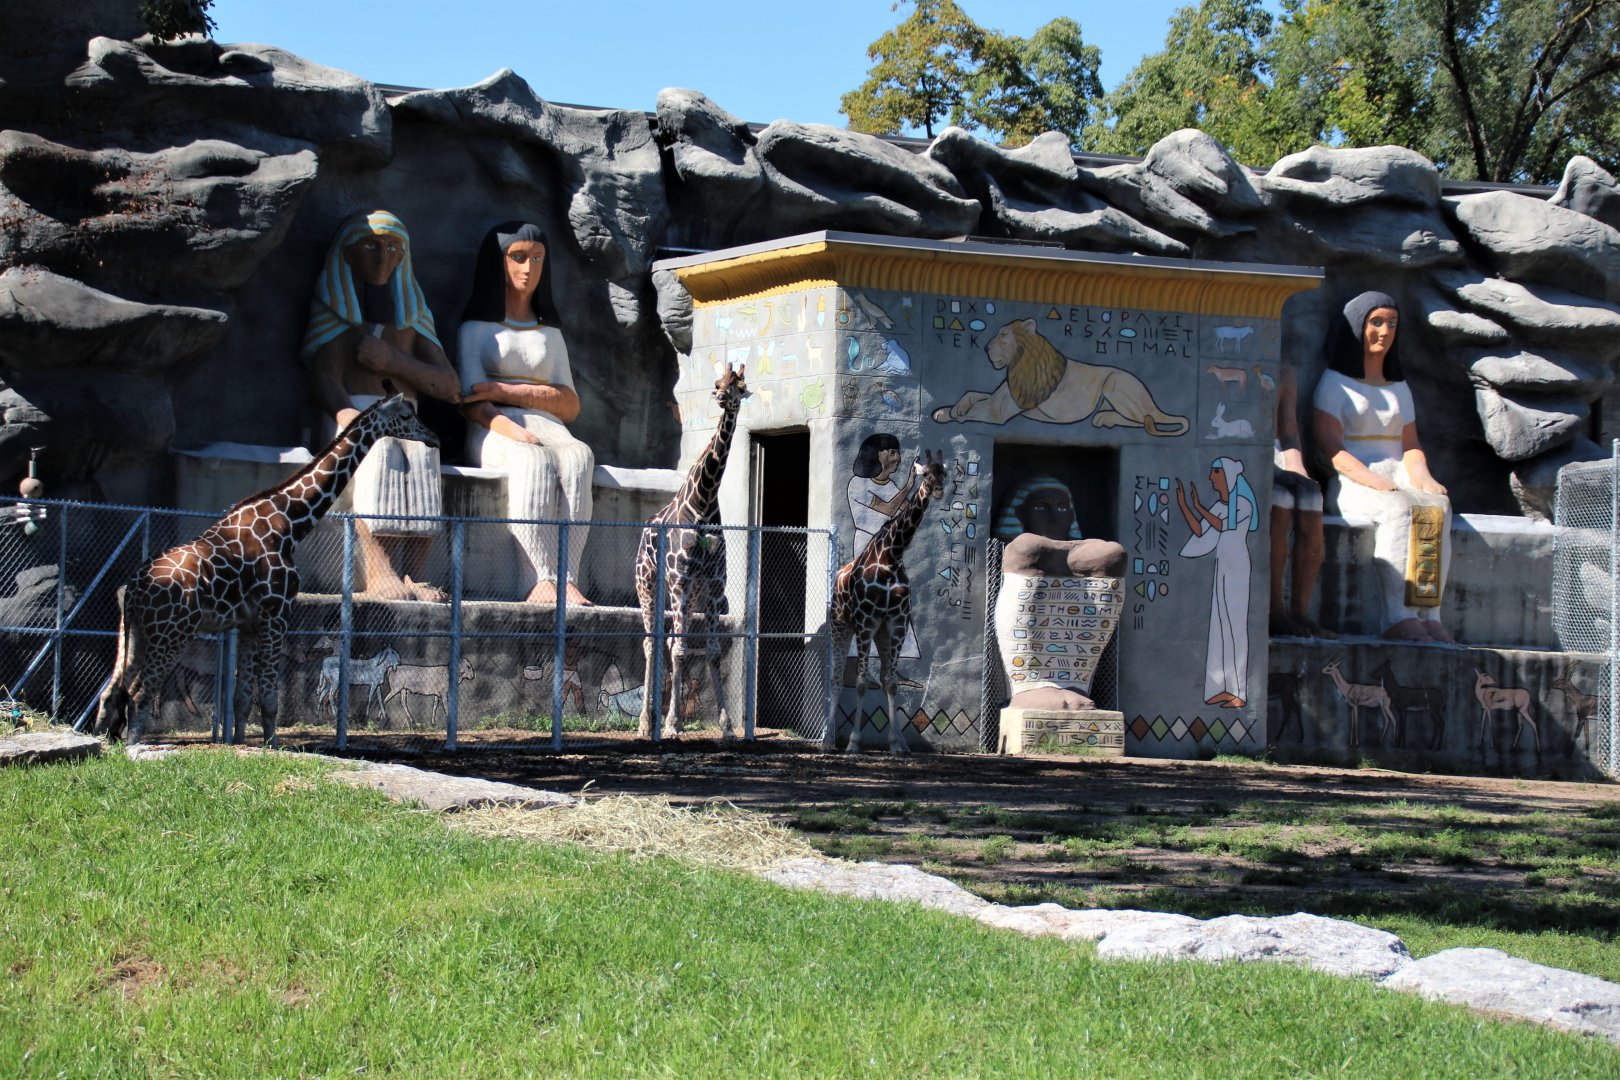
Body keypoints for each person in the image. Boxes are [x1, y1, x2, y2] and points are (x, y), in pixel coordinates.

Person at [304, 209, 460, 602]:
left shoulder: (412, 318)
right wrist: (349, 417)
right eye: (371, 246)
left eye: (393, 248)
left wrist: (392, 361)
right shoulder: (338, 313)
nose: (382, 257)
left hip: (403, 414)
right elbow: (323, 379)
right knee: (378, 449)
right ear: (349, 253)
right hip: (351, 411)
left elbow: (449, 386)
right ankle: (379, 570)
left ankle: (414, 573)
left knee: (425, 451)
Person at [458, 222, 593, 606]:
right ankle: (537, 578)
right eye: (518, 257)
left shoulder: (550, 334)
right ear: (498, 262)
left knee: (580, 457)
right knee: (532, 462)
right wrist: (511, 428)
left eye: (537, 258)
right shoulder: (475, 329)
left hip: (550, 426)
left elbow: (570, 405)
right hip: (495, 428)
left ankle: (568, 577)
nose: (528, 268)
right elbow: (472, 401)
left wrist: (508, 390)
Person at [1312, 291, 1454, 643]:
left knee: (1439, 507)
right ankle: (1398, 618)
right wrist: (1373, 480)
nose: (1384, 331)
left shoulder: (1399, 388)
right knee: (1400, 509)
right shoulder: (1334, 384)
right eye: (1376, 322)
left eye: (1392, 324)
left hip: (1399, 475)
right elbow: (1330, 448)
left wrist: (1422, 477)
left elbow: (1410, 445)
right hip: (1352, 482)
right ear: (1358, 326)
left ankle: (1430, 616)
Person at [992, 476, 1126, 711]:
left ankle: (1075, 685)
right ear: (1019, 512)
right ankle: (1029, 687)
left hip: (1077, 673)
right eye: (1041, 507)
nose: (1055, 516)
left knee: (1112, 554)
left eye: (1063, 507)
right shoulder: (1025, 547)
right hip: (1027, 665)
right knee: (1028, 547)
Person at [1177, 458, 1259, 709]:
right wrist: (1184, 504)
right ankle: (1221, 688)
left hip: (1238, 568)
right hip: (1222, 565)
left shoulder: (1242, 504)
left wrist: (1199, 505)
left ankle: (1239, 693)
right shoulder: (1221, 506)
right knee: (1219, 627)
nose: (1211, 478)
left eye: (1215, 473)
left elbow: (1224, 525)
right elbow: (1201, 533)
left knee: (1235, 628)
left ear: (1227, 476)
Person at [843, 432, 920, 683]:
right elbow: (888, 509)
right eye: (893, 452)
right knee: (862, 609)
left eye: (897, 452)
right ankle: (853, 669)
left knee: (898, 605)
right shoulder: (858, 483)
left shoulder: (890, 486)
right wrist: (909, 485)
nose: (897, 458)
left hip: (890, 553)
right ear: (877, 454)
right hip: (866, 550)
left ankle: (891, 667)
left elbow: (906, 511)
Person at [1270, 364, 1334, 638]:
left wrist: (1298, 471)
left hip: (1276, 456)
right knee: (1280, 499)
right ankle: (1274, 610)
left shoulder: (1283, 372)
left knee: (1310, 498)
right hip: (1242, 452)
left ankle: (1299, 610)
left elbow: (1288, 433)